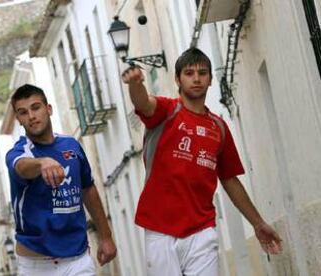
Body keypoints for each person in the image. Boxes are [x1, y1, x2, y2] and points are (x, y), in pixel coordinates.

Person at [121, 47, 282, 276]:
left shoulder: (218, 128)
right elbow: (144, 104)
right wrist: (136, 84)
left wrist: (257, 223)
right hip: (159, 228)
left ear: (210, 79)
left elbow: (230, 180)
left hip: (202, 229)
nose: (196, 78)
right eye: (189, 73)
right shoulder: (167, 111)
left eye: (202, 73)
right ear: (177, 79)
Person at [5, 84, 117, 276]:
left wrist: (106, 237)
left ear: (49, 109)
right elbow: (21, 167)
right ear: (19, 120)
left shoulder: (71, 145)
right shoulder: (18, 153)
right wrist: (41, 163)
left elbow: (88, 190)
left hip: (78, 259)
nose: (31, 116)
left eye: (36, 107)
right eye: (23, 112)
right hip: (36, 265)